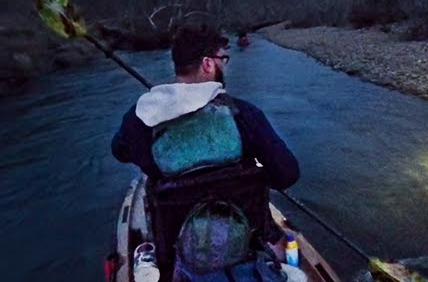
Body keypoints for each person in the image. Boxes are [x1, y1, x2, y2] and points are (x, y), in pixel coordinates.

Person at [110, 25, 299, 257]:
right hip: (247, 239)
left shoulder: (140, 119)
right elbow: (287, 174)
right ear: (208, 63)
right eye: (223, 59)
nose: (223, 65)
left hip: (178, 248)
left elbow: (119, 151)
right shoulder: (245, 114)